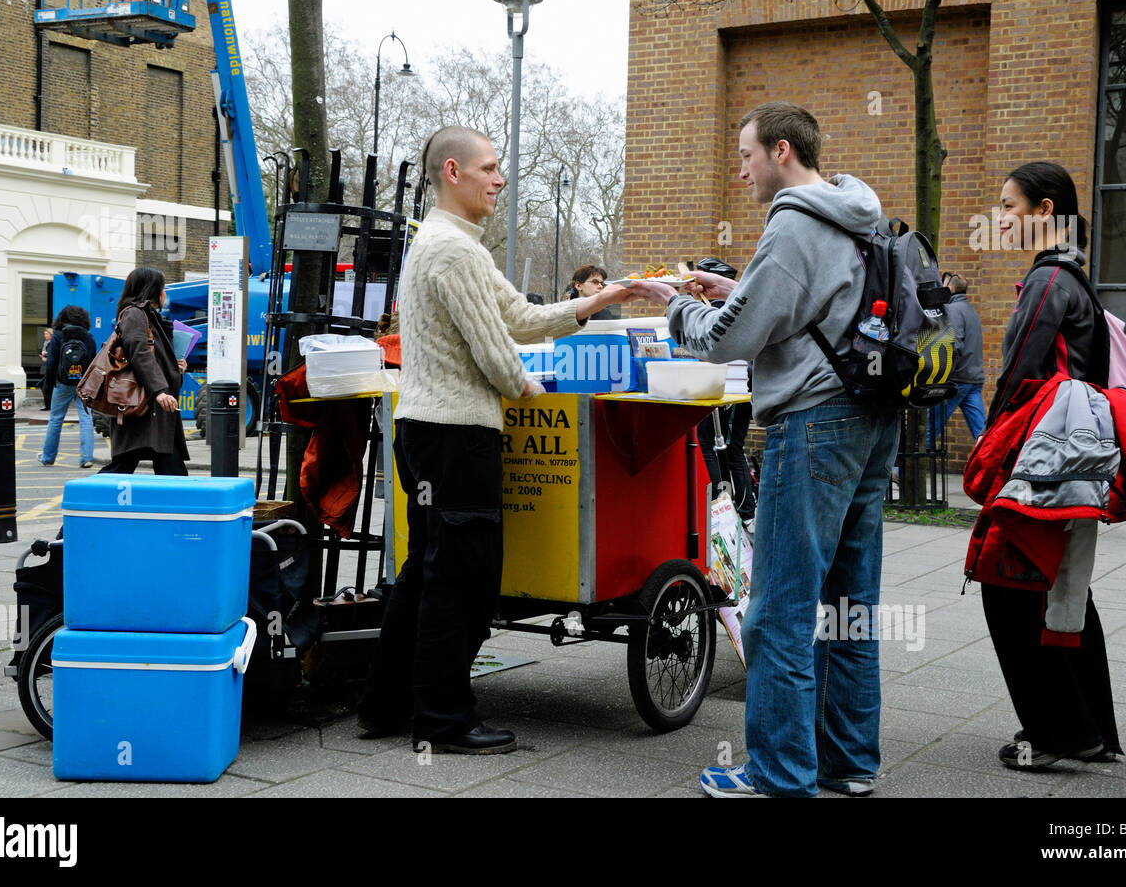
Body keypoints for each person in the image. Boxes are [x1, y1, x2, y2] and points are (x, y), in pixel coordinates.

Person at [630, 102, 896, 798]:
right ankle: (849, 761)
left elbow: (724, 342)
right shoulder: (854, 211)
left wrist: (675, 304)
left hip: (812, 422)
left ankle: (779, 774)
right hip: (871, 419)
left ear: (782, 151)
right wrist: (736, 288)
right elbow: (798, 306)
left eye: (746, 154)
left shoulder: (793, 220)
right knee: (849, 602)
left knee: (777, 609)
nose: (740, 168)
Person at [358, 125, 634, 755]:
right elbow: (497, 354)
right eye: (489, 168)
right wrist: (532, 389)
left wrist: (602, 300)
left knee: (425, 576)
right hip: (457, 435)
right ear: (452, 172)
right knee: (462, 579)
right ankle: (445, 721)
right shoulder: (452, 250)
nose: (500, 179)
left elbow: (521, 318)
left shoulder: (456, 246)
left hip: (430, 431)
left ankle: (387, 705)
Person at [982, 160, 1121, 770]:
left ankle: (1060, 732)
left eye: (1010, 207)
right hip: (1072, 457)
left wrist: (989, 449)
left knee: (1010, 586)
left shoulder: (1049, 281)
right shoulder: (1075, 276)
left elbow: (1019, 378)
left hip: (1042, 459)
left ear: (1045, 212)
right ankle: (1091, 727)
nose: (1001, 218)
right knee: (1063, 590)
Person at [100, 266, 189, 476]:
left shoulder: (147, 316)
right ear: (152, 290)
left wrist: (174, 368)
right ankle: (87, 495)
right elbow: (139, 353)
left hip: (153, 410)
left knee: (170, 465)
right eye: (163, 288)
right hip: (142, 406)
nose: (165, 293)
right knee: (123, 465)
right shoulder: (134, 314)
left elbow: (152, 356)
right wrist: (159, 391)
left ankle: (177, 506)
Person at [690, 257, 756, 523]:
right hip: (731, 388)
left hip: (730, 389)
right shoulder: (736, 305)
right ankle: (733, 509)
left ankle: (733, 510)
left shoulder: (718, 308)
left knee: (724, 448)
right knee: (725, 448)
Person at [37, 308, 96, 468]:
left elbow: (51, 363)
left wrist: (49, 383)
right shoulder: (88, 337)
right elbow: (92, 363)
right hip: (83, 383)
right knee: (86, 419)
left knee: (56, 419)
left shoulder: (58, 336)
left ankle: (48, 457)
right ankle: (87, 457)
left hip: (62, 383)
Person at [934, 273, 986, 439]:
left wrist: (945, 376)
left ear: (950, 288)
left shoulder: (952, 310)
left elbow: (953, 344)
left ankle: (922, 466)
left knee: (928, 431)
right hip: (974, 380)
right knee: (982, 434)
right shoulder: (972, 311)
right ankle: (992, 463)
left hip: (957, 381)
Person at [39, 327, 54, 410]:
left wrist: (45, 356)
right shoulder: (45, 343)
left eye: (46, 334)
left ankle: (49, 405)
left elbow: (52, 355)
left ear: (51, 335)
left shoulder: (52, 343)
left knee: (46, 387)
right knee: (44, 386)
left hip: (49, 368)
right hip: (44, 367)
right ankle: (48, 405)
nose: (45, 335)